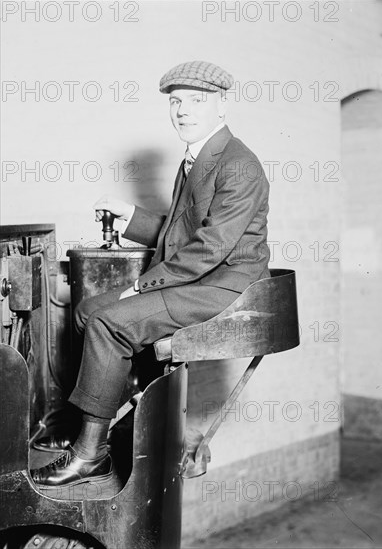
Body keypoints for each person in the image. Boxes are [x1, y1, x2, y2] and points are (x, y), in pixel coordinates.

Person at [31, 60, 271, 489]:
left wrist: (139, 286)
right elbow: (185, 234)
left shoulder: (237, 164)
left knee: (110, 321)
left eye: (197, 100)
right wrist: (132, 219)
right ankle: (103, 422)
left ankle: (90, 456)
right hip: (201, 277)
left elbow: (209, 250)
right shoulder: (197, 156)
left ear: (223, 106)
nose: (183, 110)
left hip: (226, 288)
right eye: (176, 101)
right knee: (89, 311)